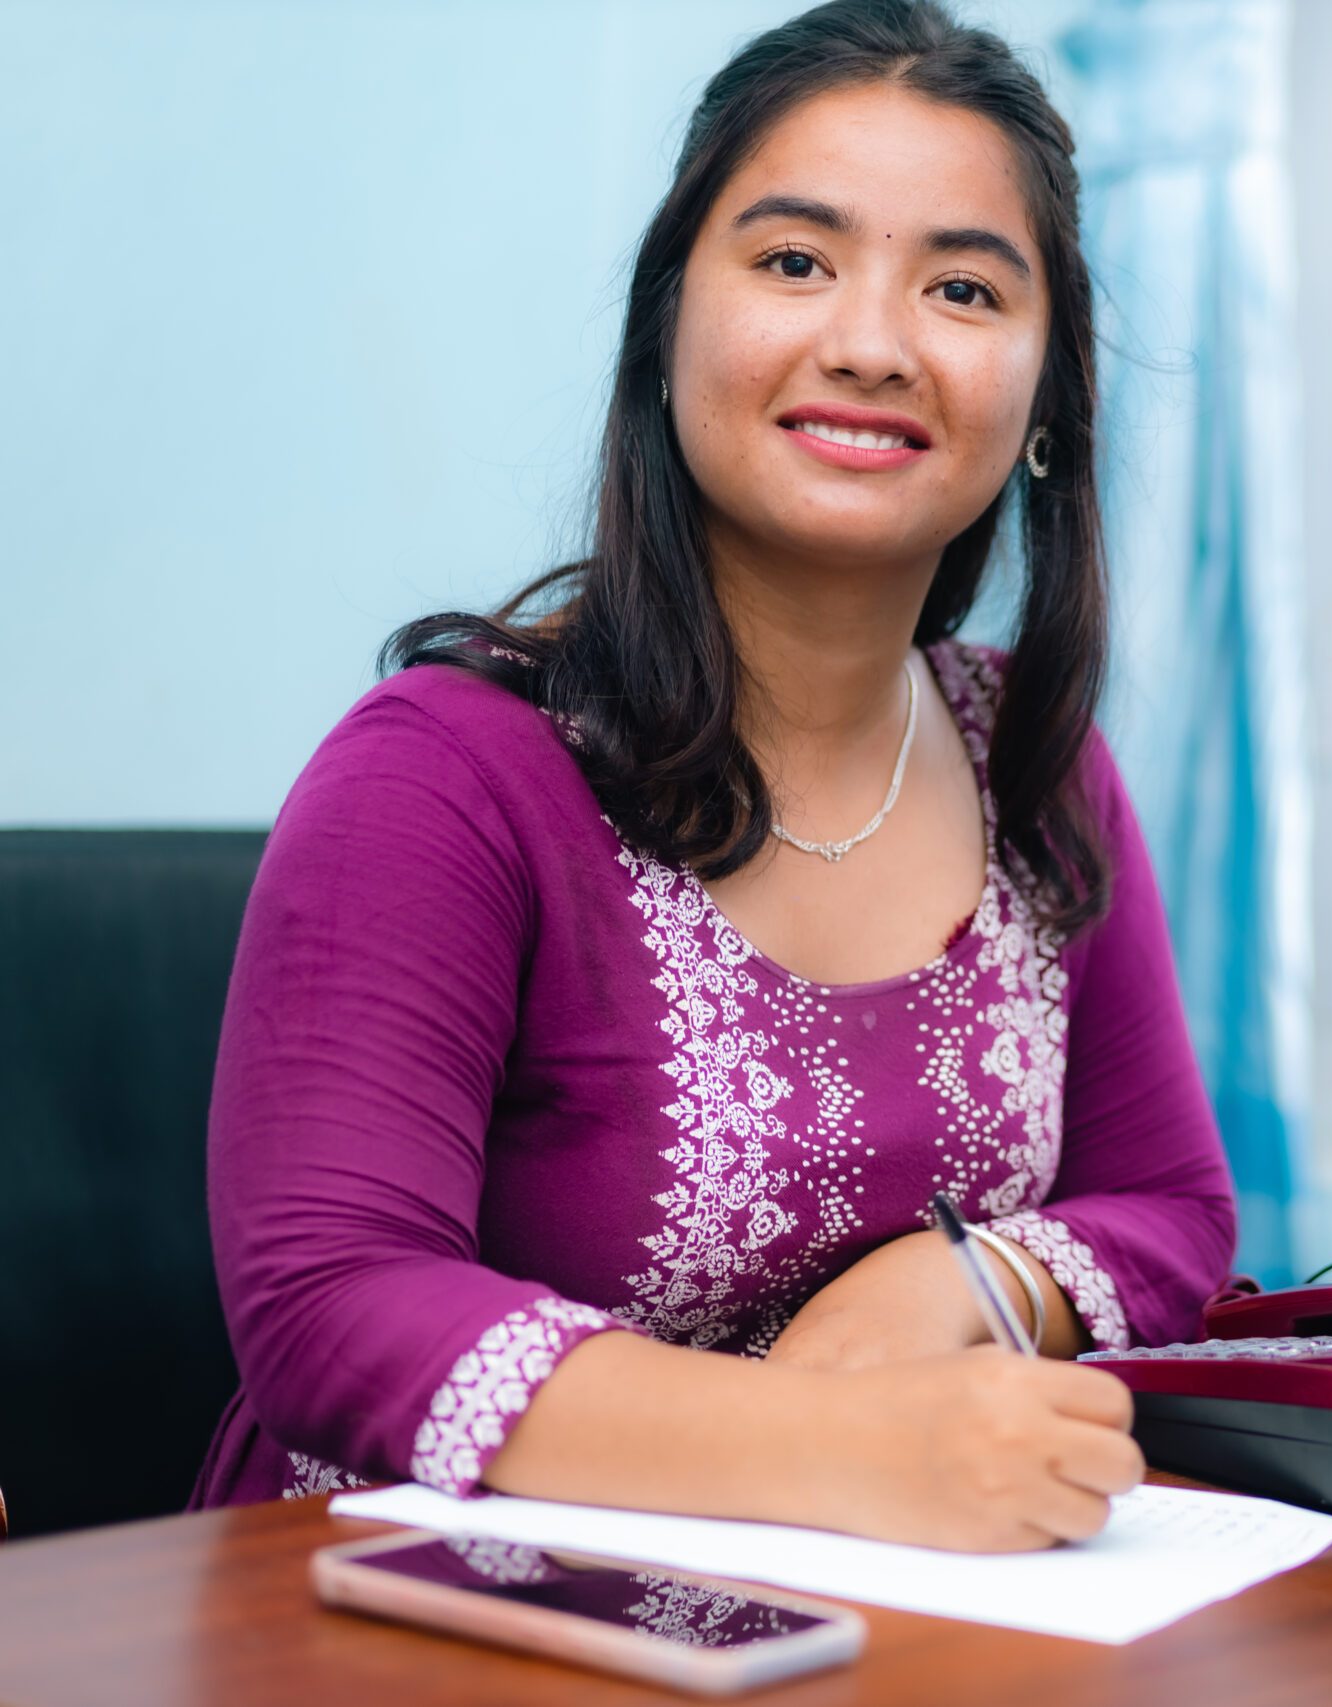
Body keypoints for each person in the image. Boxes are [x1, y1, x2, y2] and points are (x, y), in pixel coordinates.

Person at [187, 0, 1238, 1554]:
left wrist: (963, 1278)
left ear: (1045, 398)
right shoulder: (446, 775)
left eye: (961, 286)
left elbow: (1174, 1215)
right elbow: (332, 1305)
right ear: (669, 325)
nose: (872, 344)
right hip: (400, 1615)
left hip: (869, 1617)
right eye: (795, 262)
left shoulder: (1039, 768)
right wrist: (833, 1447)